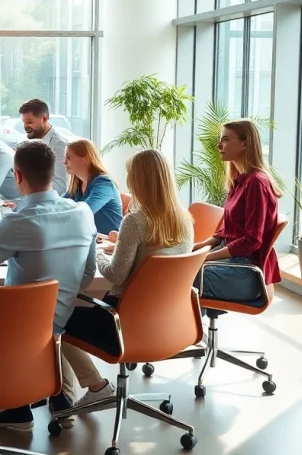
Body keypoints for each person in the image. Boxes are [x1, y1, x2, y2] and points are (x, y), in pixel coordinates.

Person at [0, 141, 97, 431]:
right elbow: (88, 271)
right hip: (58, 324)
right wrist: (59, 294)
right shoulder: (83, 213)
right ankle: (30, 404)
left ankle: (19, 408)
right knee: (35, 321)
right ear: (54, 172)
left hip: (11, 331)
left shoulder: (17, 222)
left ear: (18, 176)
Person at [60, 149, 194, 412]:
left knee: (57, 320)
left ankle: (93, 387)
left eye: (131, 174)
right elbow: (155, 256)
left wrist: (96, 251)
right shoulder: (183, 219)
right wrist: (120, 247)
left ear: (139, 180)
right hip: (168, 321)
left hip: (123, 323)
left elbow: (113, 275)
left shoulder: (136, 221)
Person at [193, 119, 283, 301]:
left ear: (245, 143)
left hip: (246, 274)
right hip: (233, 264)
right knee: (177, 269)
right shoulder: (239, 180)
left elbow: (251, 241)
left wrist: (207, 257)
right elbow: (229, 229)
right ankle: (188, 329)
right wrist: (204, 245)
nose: (219, 145)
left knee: (178, 277)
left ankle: (187, 329)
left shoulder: (256, 183)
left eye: (226, 139)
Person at [64, 138, 123, 235]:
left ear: (84, 159)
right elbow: (59, 206)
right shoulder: (77, 186)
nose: (64, 162)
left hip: (110, 245)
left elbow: (85, 211)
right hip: (90, 242)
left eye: (68, 158)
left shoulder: (104, 183)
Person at [19, 98, 69, 193]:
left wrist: (32, 194)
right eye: (24, 122)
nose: (25, 127)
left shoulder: (60, 144)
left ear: (44, 119)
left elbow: (60, 187)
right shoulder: (32, 140)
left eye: (29, 122)